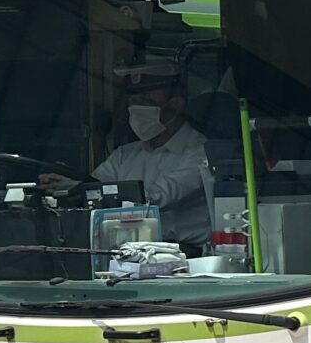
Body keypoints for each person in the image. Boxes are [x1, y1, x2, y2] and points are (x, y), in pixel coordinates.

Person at [40, 62, 213, 247]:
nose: (137, 110)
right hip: (123, 250)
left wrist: (82, 188)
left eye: (145, 103)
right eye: (133, 103)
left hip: (183, 255)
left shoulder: (201, 152)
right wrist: (69, 189)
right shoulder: (125, 154)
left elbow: (155, 198)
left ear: (175, 105)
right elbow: (95, 186)